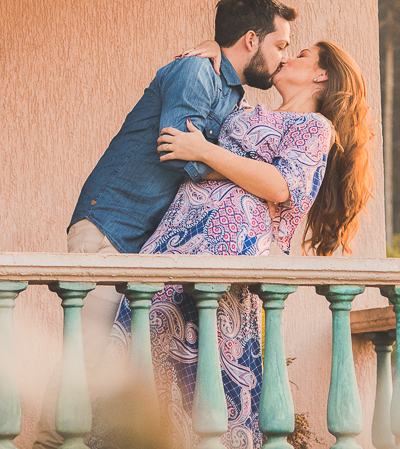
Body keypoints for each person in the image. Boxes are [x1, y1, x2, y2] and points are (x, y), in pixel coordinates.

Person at [32, 0, 296, 449]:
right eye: (280, 45)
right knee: (87, 358)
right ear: (251, 39)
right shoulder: (196, 71)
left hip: (144, 247)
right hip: (109, 228)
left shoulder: (227, 88)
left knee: (117, 371)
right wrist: (234, 170)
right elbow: (180, 154)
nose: (284, 57)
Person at [92, 40, 373, 449]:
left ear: (321, 75)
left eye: (301, 55)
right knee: (143, 358)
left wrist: (205, 151)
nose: (287, 57)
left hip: (226, 256)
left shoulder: (314, 128)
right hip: (175, 242)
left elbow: (281, 186)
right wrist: (216, 55)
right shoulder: (248, 112)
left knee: (208, 372)